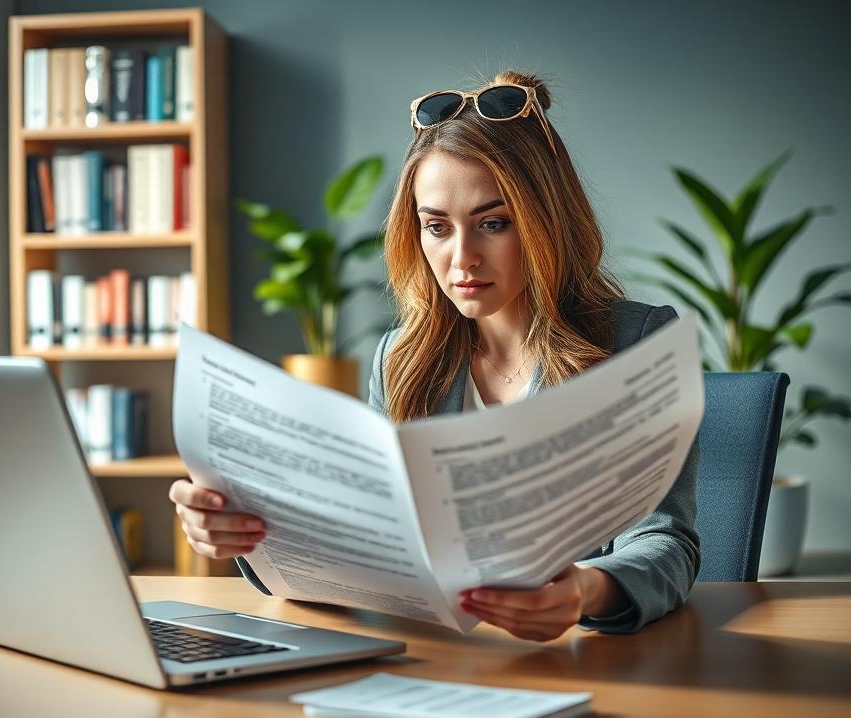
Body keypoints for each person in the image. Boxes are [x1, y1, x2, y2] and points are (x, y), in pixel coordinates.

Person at [169, 69, 700, 642]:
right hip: (441, 656)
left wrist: (589, 592)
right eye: (437, 227)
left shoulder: (634, 339)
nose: (461, 258)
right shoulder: (400, 358)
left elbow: (665, 542)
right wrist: (248, 531)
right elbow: (373, 535)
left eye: (493, 224)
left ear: (547, 221)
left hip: (586, 660)